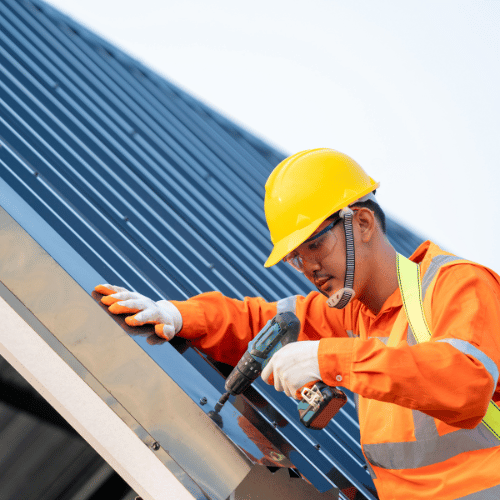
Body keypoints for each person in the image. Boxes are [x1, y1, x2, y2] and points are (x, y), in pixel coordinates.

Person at [96, 148, 500, 500]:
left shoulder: (456, 284)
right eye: (296, 257)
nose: (308, 267)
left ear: (361, 223)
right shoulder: (352, 314)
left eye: (315, 244)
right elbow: (259, 322)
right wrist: (179, 315)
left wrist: (327, 357)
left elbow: (465, 382)